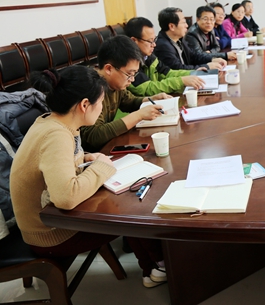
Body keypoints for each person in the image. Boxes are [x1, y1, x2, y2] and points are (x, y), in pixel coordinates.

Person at [10, 66, 167, 288]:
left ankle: (154, 266)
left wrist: (86, 158)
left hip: (52, 219)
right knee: (133, 214)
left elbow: (58, 160)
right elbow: (66, 197)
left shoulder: (55, 122)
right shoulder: (56, 135)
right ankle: (158, 266)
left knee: (127, 201)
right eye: (100, 102)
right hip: (50, 234)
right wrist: (100, 167)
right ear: (84, 105)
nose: (101, 107)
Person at [80, 36, 169, 152]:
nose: (132, 79)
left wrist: (150, 99)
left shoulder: (115, 84)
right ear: (109, 69)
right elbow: (93, 136)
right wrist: (138, 116)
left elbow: (129, 101)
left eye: (134, 74)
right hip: (89, 155)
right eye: (129, 74)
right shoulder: (90, 88)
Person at [125, 17, 206, 96]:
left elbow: (167, 73)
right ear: (134, 41)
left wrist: (192, 73)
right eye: (150, 41)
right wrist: (181, 81)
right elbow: (147, 88)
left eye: (154, 39)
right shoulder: (128, 63)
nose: (154, 44)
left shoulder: (148, 56)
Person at [154, 7, 227, 71]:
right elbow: (178, 69)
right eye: (183, 22)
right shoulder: (163, 46)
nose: (186, 25)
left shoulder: (179, 39)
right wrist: (207, 66)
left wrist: (213, 59)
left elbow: (194, 56)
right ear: (172, 26)